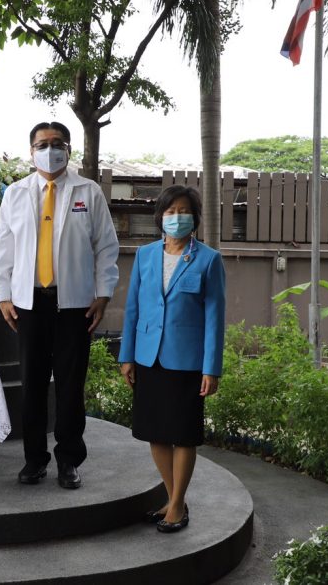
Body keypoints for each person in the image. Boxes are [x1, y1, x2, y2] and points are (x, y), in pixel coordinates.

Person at [0, 121, 120, 489]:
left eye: (57, 143)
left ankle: (68, 460)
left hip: (75, 305)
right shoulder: (15, 193)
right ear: (31, 151)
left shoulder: (88, 192)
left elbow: (106, 247)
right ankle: (34, 460)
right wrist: (3, 295)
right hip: (28, 304)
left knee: (70, 386)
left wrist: (103, 294)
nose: (50, 150)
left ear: (68, 149)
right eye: (42, 144)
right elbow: (3, 249)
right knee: (32, 386)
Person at [118, 185, 226, 533]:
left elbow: (215, 318)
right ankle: (173, 498)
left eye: (183, 211)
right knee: (157, 434)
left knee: (183, 434)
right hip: (148, 358)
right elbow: (133, 308)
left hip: (187, 362)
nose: (176, 217)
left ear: (195, 217)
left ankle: (177, 505)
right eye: (170, 211)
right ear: (160, 216)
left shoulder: (209, 259)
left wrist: (211, 367)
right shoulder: (145, 255)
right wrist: (127, 356)